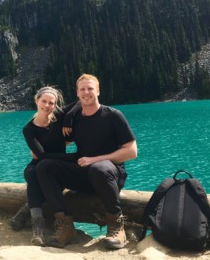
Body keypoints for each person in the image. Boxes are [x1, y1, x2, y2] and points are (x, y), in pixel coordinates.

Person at [36, 74, 137, 249]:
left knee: (99, 168)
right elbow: (60, 142)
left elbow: (131, 151)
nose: (86, 92)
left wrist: (95, 159)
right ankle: (66, 225)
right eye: (82, 89)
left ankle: (115, 223)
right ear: (77, 93)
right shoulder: (76, 119)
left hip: (110, 175)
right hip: (84, 173)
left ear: (98, 90)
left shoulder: (113, 115)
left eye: (90, 88)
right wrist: (36, 140)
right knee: (45, 166)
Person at [8, 86, 76, 246]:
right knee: (33, 173)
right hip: (42, 164)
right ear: (37, 101)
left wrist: (67, 119)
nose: (47, 105)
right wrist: (70, 157)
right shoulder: (29, 129)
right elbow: (42, 156)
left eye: (51, 103)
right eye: (44, 101)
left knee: (40, 176)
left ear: (56, 104)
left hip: (57, 168)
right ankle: (37, 227)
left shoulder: (59, 116)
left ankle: (25, 212)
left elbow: (79, 102)